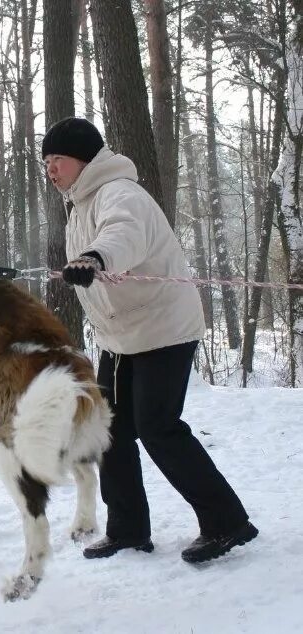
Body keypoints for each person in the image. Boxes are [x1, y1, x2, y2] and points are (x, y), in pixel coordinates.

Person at [42, 116, 258, 564]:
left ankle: (227, 522)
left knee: (157, 426)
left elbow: (124, 234)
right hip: (120, 336)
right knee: (110, 430)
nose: (51, 169)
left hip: (163, 328)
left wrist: (96, 256)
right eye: (47, 161)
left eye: (57, 159)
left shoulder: (120, 193)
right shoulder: (78, 206)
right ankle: (128, 529)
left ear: (83, 158)